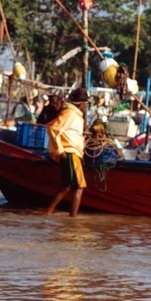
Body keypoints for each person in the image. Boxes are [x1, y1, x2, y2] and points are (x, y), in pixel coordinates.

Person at [44, 87, 88, 217]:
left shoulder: (73, 115)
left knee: (67, 186)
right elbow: (52, 129)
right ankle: (72, 219)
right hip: (71, 153)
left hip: (74, 153)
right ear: (81, 104)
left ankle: (48, 213)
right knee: (77, 187)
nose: (86, 107)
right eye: (85, 104)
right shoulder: (70, 114)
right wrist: (59, 150)